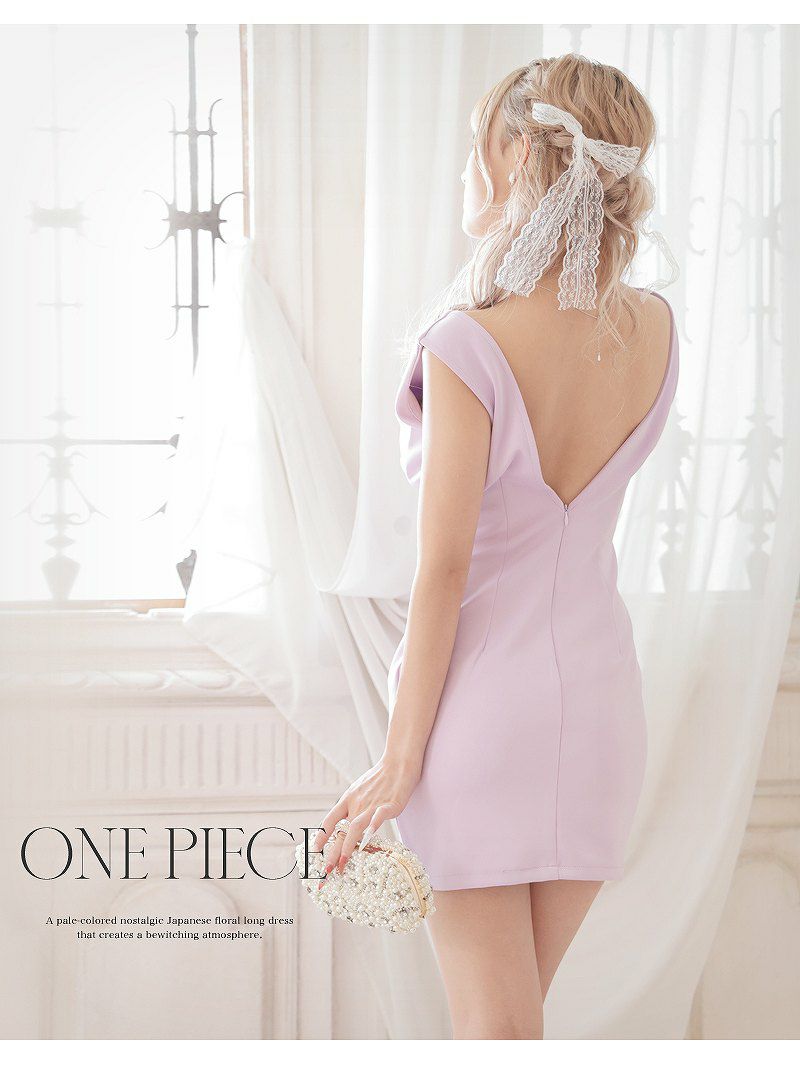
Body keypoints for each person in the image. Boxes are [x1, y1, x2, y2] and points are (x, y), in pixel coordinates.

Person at [313, 53, 679, 1040]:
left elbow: (442, 568)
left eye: (477, 143)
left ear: (518, 153)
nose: (465, 167)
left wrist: (399, 759)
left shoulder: (466, 341)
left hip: (480, 719)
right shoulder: (653, 330)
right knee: (514, 1027)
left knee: (494, 1032)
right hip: (599, 713)